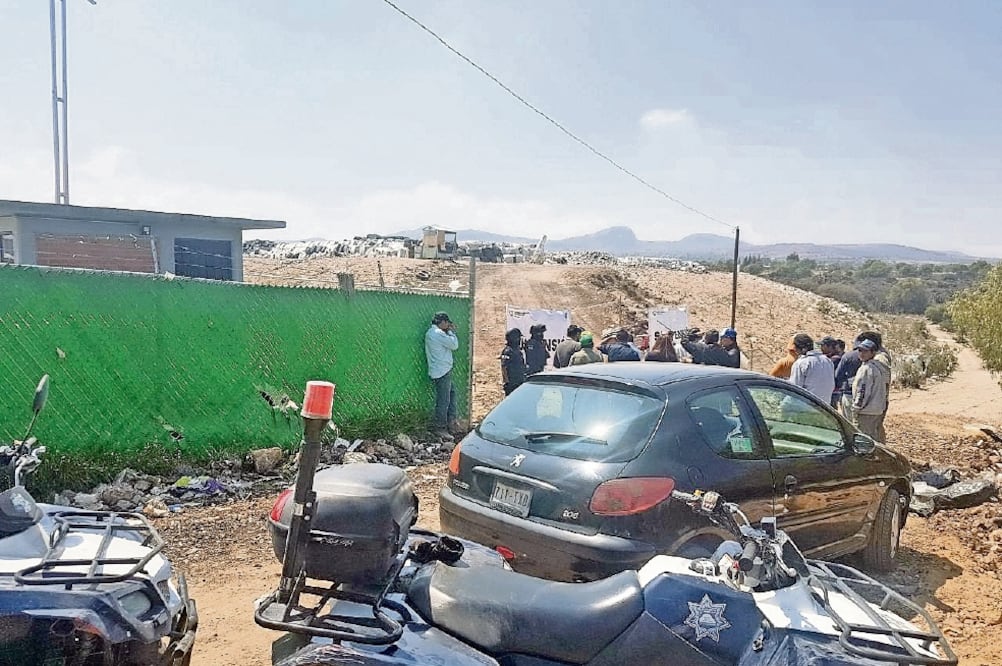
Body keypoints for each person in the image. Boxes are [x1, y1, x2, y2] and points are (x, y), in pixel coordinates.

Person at [425, 311, 459, 438]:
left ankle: (451, 423)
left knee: (451, 395)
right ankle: (440, 428)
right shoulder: (438, 333)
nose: (448, 325)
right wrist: (450, 332)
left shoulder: (431, 332)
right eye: (447, 323)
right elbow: (454, 345)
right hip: (442, 371)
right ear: (443, 322)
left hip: (440, 369)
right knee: (444, 400)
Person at [852, 339, 891, 442]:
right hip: (877, 409)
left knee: (864, 440)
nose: (861, 353)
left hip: (866, 411)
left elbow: (863, 391)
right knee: (874, 438)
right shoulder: (880, 367)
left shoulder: (867, 369)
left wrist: (856, 408)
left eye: (865, 351)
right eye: (860, 350)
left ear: (873, 352)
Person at [788, 333, 835, 403]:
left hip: (807, 407)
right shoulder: (828, 361)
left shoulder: (801, 363)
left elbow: (794, 389)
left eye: (795, 348)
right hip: (824, 408)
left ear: (802, 349)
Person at [500, 328, 528, 395]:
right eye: (518, 338)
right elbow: (504, 367)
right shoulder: (508, 351)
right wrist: (506, 382)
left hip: (519, 381)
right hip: (512, 383)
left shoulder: (517, 350)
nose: (519, 340)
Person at [819, 336, 842, 408]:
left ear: (829, 347)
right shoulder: (829, 358)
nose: (821, 348)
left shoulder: (834, 359)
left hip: (833, 392)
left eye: (823, 345)